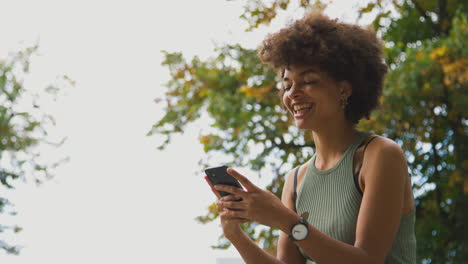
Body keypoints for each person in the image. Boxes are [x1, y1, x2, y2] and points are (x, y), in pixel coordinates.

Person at [204, 12, 416, 264]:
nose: (293, 93)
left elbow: (367, 260)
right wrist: (235, 235)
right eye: (287, 84)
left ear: (344, 89)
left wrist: (284, 220)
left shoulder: (380, 155)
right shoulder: (296, 179)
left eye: (308, 81)